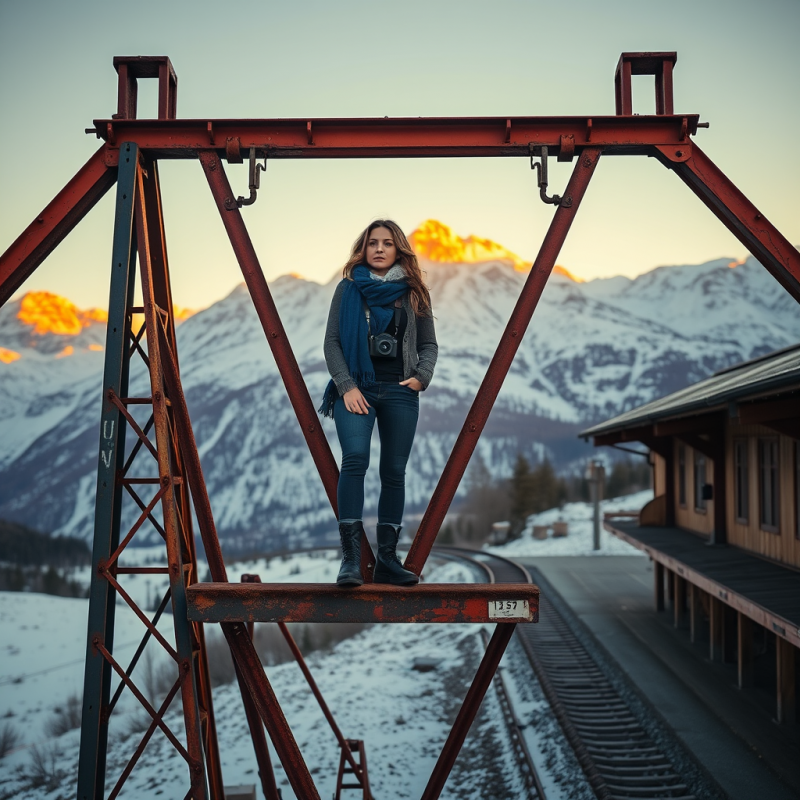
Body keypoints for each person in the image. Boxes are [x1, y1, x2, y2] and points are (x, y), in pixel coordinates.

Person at [319, 220, 438, 588]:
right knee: (355, 460)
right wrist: (347, 385)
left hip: (401, 391)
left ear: (399, 249)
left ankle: (387, 559)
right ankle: (351, 560)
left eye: (388, 243)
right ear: (363, 248)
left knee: (394, 471)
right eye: (373, 243)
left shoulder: (415, 292)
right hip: (357, 390)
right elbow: (333, 343)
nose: (380, 249)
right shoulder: (348, 289)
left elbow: (429, 345)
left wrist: (422, 376)